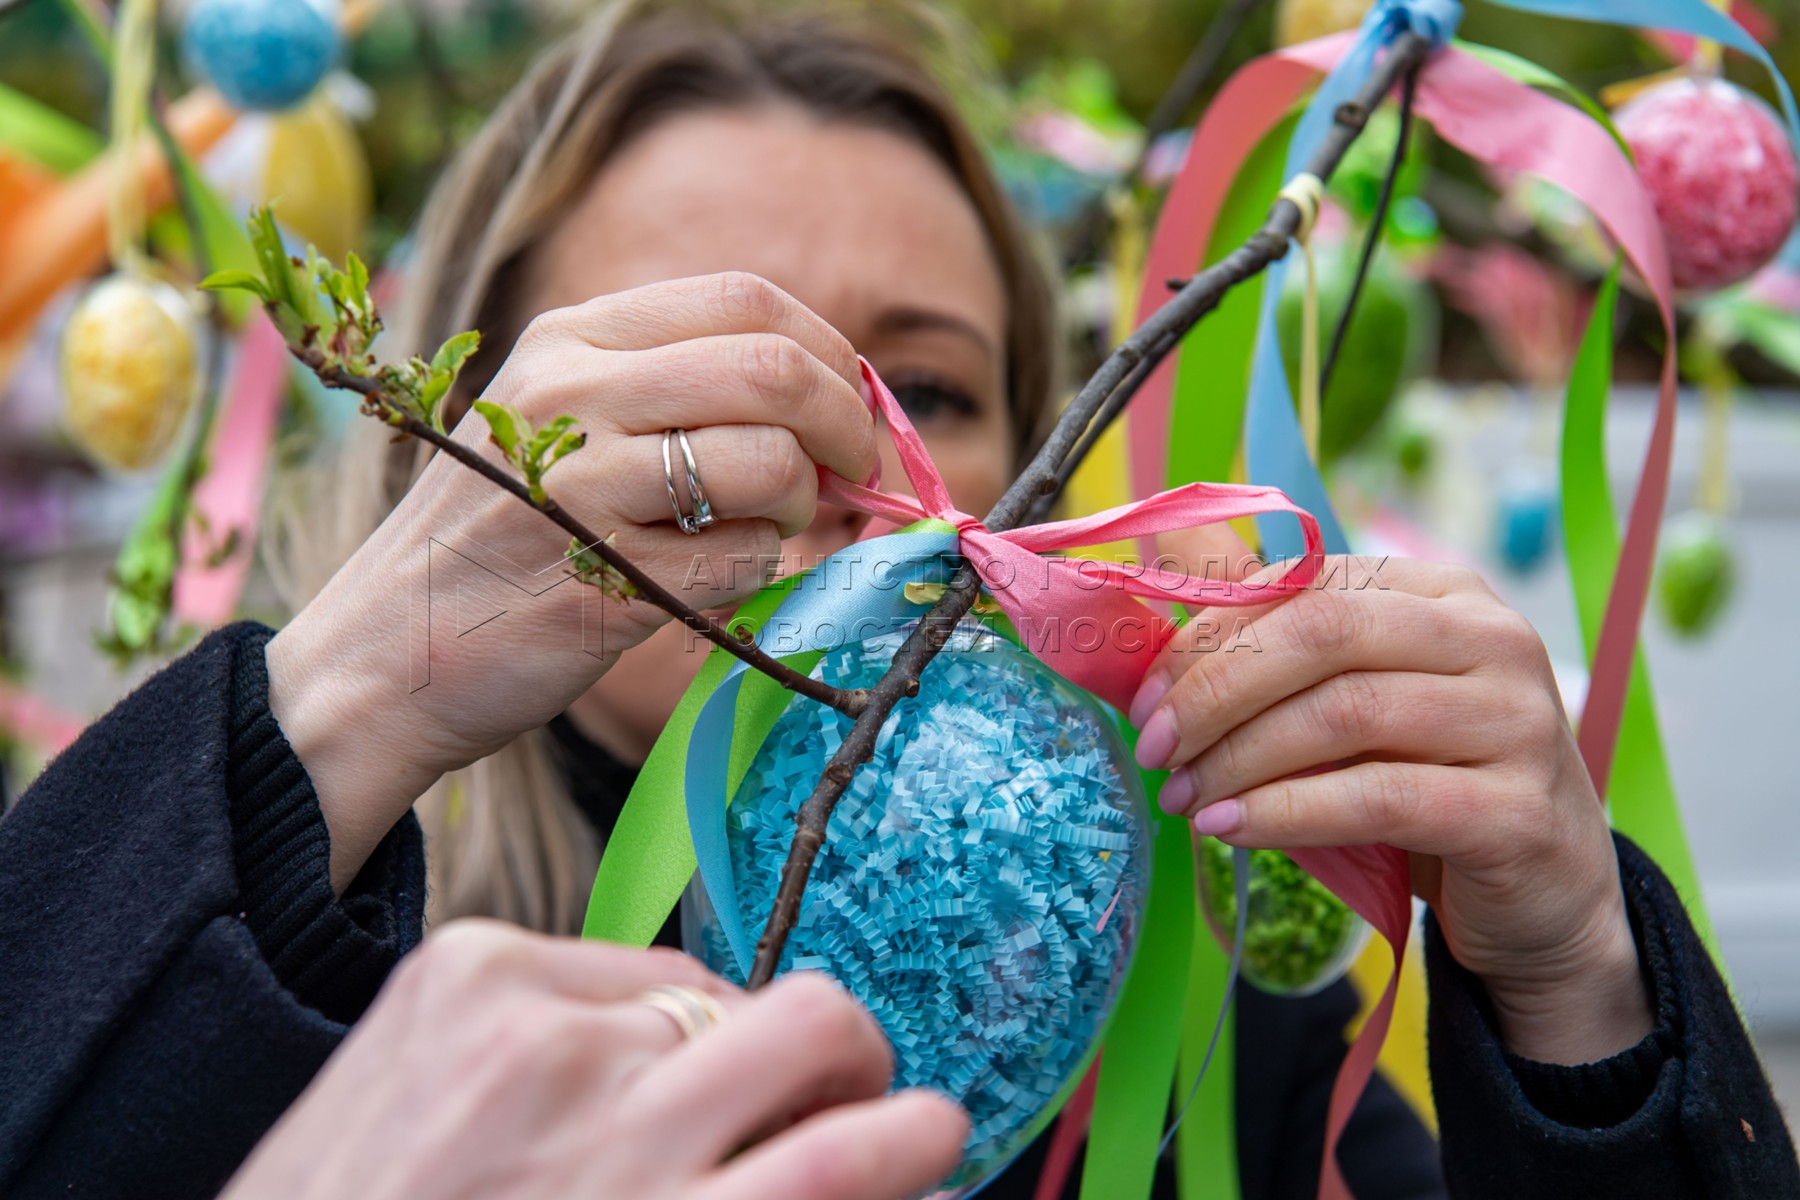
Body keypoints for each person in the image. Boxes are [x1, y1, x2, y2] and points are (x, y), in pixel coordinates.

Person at [0, 2, 1793, 1198]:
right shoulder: (269, 977)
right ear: (484, 444)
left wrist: (1579, 997)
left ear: (1035, 453)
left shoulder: (1185, 1043)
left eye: (922, 389)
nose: (818, 468)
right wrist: (338, 711)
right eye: (697, 377)